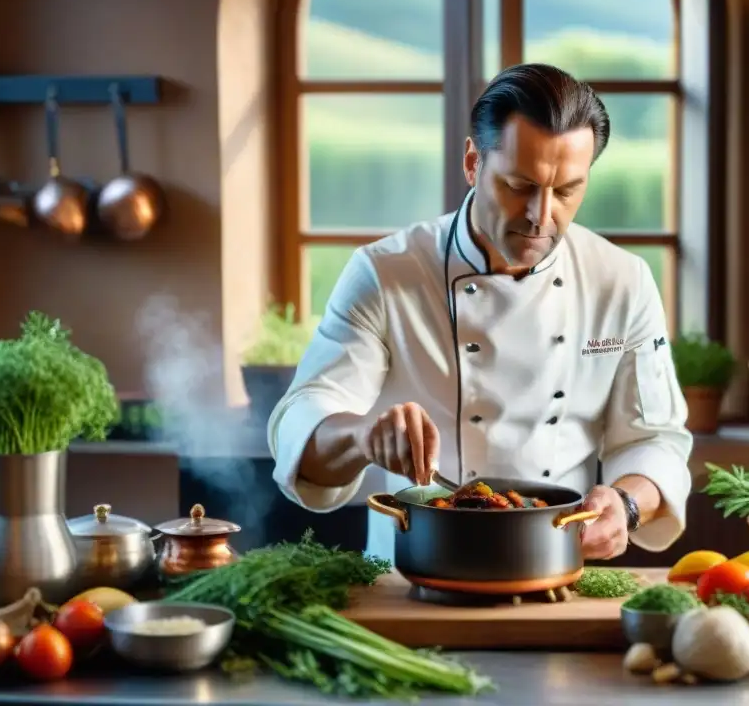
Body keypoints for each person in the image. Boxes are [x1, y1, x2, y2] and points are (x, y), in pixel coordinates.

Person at [267, 63, 693, 564]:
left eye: (566, 191)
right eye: (518, 185)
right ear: (473, 162)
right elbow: (305, 418)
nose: (541, 214)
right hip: (407, 577)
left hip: (552, 571)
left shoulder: (622, 281)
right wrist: (363, 435)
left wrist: (626, 503)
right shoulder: (385, 274)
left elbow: (655, 437)